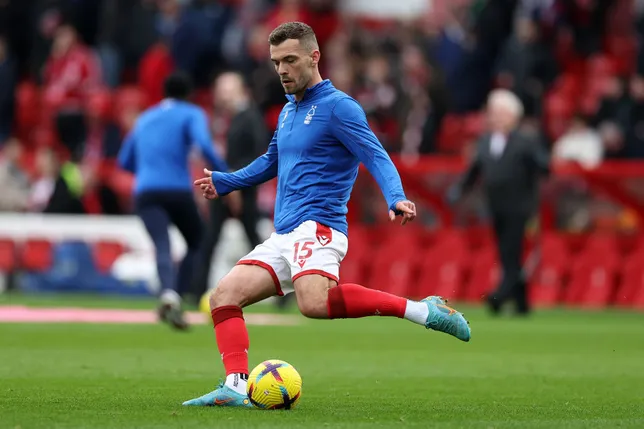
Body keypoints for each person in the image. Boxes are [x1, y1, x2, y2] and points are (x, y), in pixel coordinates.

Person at [183, 22, 471, 408]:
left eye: (289, 60)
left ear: (314, 57)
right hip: (285, 233)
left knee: (313, 303)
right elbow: (272, 161)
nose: (282, 70)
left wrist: (395, 196)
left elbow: (375, 154)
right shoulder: (288, 111)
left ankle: (423, 310)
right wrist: (226, 181)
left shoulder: (340, 108)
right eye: (275, 62)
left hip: (318, 226)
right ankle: (236, 385)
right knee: (223, 296)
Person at [117, 72, 229, 331]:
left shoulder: (145, 118)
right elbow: (204, 145)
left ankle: (168, 293)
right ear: (188, 93)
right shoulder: (192, 113)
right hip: (177, 189)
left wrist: (149, 168)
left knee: (162, 244)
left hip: (145, 191)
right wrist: (226, 173)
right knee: (197, 240)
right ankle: (178, 293)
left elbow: (124, 161)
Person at [449, 89, 550, 316]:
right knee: (506, 253)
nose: (495, 117)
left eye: (501, 113)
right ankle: (522, 303)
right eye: (493, 112)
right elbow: (474, 172)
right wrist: (458, 190)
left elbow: (544, 165)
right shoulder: (485, 142)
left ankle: (500, 296)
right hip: (496, 207)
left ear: (513, 116)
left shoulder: (526, 140)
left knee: (512, 251)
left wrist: (537, 159)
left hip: (520, 207)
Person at [191, 72, 267, 305]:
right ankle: (195, 293)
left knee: (253, 239)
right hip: (223, 188)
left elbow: (257, 155)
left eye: (227, 91)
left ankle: (283, 289)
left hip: (240, 188)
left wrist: (235, 183)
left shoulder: (250, 117)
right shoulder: (227, 119)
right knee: (211, 240)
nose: (223, 97)